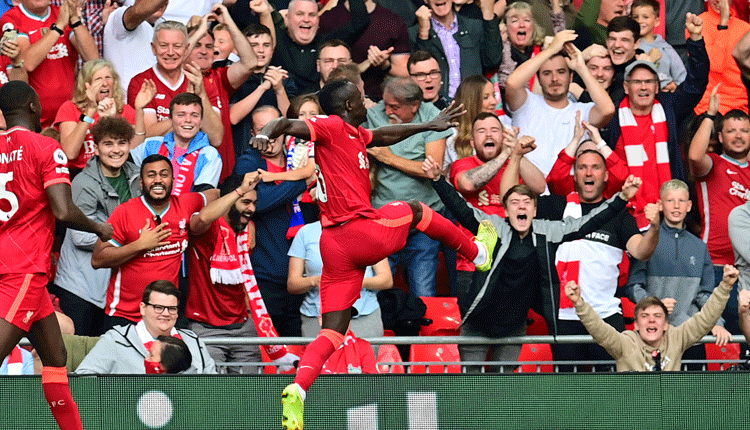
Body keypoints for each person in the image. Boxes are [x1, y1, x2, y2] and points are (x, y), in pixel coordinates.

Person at [249, 78, 497, 430]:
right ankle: (476, 251)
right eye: (361, 98)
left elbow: (382, 136)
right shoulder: (332, 125)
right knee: (417, 210)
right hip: (360, 233)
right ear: (349, 106)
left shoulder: (355, 133)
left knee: (332, 331)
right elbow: (289, 124)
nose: (368, 102)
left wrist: (429, 125)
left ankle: (299, 390)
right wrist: (269, 132)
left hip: (334, 245)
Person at [423, 149, 642, 372]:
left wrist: (622, 198)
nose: (521, 207)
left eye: (527, 202)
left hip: (514, 326)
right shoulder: (494, 227)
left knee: (504, 389)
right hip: (479, 321)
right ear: (506, 211)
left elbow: (588, 223)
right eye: (515, 203)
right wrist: (438, 180)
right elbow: (462, 209)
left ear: (535, 210)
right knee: (473, 387)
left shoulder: (546, 231)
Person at [0, 81, 112, 430]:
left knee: (55, 358)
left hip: (14, 265)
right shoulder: (46, 147)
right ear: (34, 107)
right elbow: (62, 210)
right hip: (24, 268)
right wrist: (98, 227)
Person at [90, 153, 228, 328]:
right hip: (125, 316)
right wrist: (139, 245)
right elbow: (97, 259)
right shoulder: (125, 211)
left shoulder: (185, 204)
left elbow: (216, 194)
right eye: (151, 175)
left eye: (164, 175)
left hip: (167, 315)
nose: (158, 180)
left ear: (173, 180)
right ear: (141, 182)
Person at [186, 173, 299, 374]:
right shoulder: (209, 228)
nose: (252, 209)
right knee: (213, 395)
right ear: (229, 199)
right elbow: (202, 217)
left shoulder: (246, 230)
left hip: (242, 327)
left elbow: (245, 283)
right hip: (207, 329)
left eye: (254, 203)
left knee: (248, 393)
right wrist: (239, 190)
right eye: (245, 202)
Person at [606, 14, 709, 228]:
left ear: (657, 86)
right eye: (637, 82)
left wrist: (696, 39)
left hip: (668, 212)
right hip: (626, 213)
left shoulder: (668, 106)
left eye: (649, 82)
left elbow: (695, 84)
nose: (643, 87)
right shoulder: (613, 112)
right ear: (626, 87)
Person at [626, 179, 731, 369]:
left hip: (690, 337)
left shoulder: (699, 247)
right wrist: (655, 305)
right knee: (654, 395)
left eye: (681, 201)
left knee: (692, 395)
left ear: (689, 206)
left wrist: (716, 322)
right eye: (670, 201)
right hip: (653, 335)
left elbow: (704, 294)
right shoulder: (647, 241)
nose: (676, 206)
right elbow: (633, 286)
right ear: (660, 205)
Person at [365, 77, 455, 298]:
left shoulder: (432, 117)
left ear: (414, 106)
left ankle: (426, 332)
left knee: (423, 289)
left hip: (422, 218)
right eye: (385, 103)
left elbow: (432, 169)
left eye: (394, 107)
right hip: (383, 216)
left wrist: (388, 157)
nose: (386, 111)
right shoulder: (375, 115)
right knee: (374, 290)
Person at [52, 116, 142, 337]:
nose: (116, 150)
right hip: (80, 288)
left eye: (121, 143)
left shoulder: (136, 176)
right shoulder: (84, 182)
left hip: (113, 289)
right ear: (97, 147)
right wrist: (132, 238)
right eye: (108, 144)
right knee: (79, 359)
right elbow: (80, 238)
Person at [566, 264, 738, 371]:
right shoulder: (624, 343)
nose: (651, 320)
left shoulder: (676, 337)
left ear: (665, 324)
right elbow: (599, 329)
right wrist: (579, 303)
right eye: (645, 316)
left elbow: (705, 318)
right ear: (636, 325)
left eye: (657, 316)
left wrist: (725, 287)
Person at [505, 30, 615, 177]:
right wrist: (550, 50)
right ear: (538, 78)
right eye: (547, 73)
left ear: (571, 77)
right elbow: (512, 83)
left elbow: (607, 110)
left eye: (561, 72)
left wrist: (581, 68)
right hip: (526, 193)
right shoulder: (526, 103)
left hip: (569, 194)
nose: (554, 78)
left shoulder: (582, 111)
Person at [689, 86, 750, 335]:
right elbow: (694, 155)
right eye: (731, 131)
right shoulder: (714, 164)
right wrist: (710, 116)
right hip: (716, 265)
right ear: (721, 137)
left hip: (748, 268)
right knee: (722, 340)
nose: (738, 136)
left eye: (745, 131)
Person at [288, 221, 393, 353]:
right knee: (320, 370)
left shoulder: (369, 230)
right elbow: (292, 284)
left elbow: (386, 280)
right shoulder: (305, 233)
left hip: (363, 315)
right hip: (316, 316)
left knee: (363, 371)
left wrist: (352, 282)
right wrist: (316, 281)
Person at [74, 280, 216, 374]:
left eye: (172, 309)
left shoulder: (192, 341)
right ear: (143, 308)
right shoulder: (116, 340)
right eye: (158, 307)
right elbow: (85, 378)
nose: (166, 314)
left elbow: (213, 386)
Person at [186, 4, 257, 180]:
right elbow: (178, 57)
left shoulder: (219, 77)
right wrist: (201, 29)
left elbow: (250, 63)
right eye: (197, 45)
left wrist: (228, 22)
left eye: (209, 46)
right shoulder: (177, 79)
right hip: (187, 175)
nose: (203, 51)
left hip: (222, 175)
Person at [1, 0, 99, 127]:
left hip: (69, 117)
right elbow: (27, 63)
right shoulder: (11, 18)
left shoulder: (61, 13)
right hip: (36, 120)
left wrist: (75, 19)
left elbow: (93, 58)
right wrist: (58, 27)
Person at [127, 20, 223, 143]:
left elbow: (216, 139)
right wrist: (185, 114)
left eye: (177, 46)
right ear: (153, 48)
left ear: (186, 49)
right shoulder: (141, 82)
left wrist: (201, 95)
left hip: (195, 159)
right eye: (163, 46)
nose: (170, 52)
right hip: (156, 159)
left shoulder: (200, 81)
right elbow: (146, 136)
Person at [54, 59, 150, 177]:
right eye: (98, 79)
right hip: (81, 174)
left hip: (117, 172)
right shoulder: (69, 108)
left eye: (108, 77)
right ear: (87, 85)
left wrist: (138, 110)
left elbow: (135, 146)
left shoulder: (123, 109)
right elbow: (70, 153)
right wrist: (90, 111)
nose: (104, 83)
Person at [270, 0, 370, 95]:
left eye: (312, 15)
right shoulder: (275, 39)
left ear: (318, 20)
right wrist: (266, 13)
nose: (306, 19)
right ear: (287, 17)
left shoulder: (326, 43)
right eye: (300, 14)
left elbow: (360, 22)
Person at [131, 92, 223, 194]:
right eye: (181, 115)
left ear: (201, 121)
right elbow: (124, 168)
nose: (188, 120)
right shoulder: (151, 144)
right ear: (170, 119)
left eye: (194, 115)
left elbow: (202, 198)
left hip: (188, 210)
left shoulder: (209, 154)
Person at [319, 0, 410, 100]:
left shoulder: (393, 21)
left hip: (378, 99)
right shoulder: (327, 19)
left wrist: (385, 64)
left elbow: (405, 72)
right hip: (336, 98)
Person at [409, 0, 501, 99]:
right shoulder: (416, 32)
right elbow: (420, 72)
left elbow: (493, 61)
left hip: (473, 102)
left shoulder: (474, 26)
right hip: (439, 107)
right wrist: (424, 33)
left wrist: (488, 14)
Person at [230, 23, 296, 158]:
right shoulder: (233, 77)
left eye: (266, 45)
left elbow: (293, 122)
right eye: (254, 45)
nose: (261, 50)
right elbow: (233, 117)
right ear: (242, 49)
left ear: (272, 51)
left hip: (279, 155)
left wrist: (279, 89)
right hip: (243, 153)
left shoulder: (285, 78)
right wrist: (263, 87)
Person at [546, 112, 628, 198]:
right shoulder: (567, 193)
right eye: (582, 166)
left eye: (595, 166)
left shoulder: (610, 194)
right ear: (575, 174)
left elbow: (621, 176)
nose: (589, 173)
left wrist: (600, 141)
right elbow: (556, 178)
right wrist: (576, 139)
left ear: (606, 175)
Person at [692, 0, 750, 115]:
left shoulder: (745, 28)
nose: (718, 1)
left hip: (739, 105)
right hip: (707, 106)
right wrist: (723, 23)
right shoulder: (698, 24)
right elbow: (716, 65)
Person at [443, 74, 506, 174]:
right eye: (486, 97)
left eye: (494, 95)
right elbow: (443, 176)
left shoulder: (505, 130)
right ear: (471, 102)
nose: (494, 101)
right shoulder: (452, 137)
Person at [102, 0, 169, 91]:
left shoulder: (162, 24)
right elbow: (137, 12)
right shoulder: (119, 14)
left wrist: (195, 31)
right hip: (123, 102)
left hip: (154, 101)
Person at [630, 0, 686, 92]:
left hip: (665, 98)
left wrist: (675, 86)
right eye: (635, 17)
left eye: (645, 17)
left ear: (656, 22)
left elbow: (681, 76)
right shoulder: (630, 46)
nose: (640, 21)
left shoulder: (666, 48)